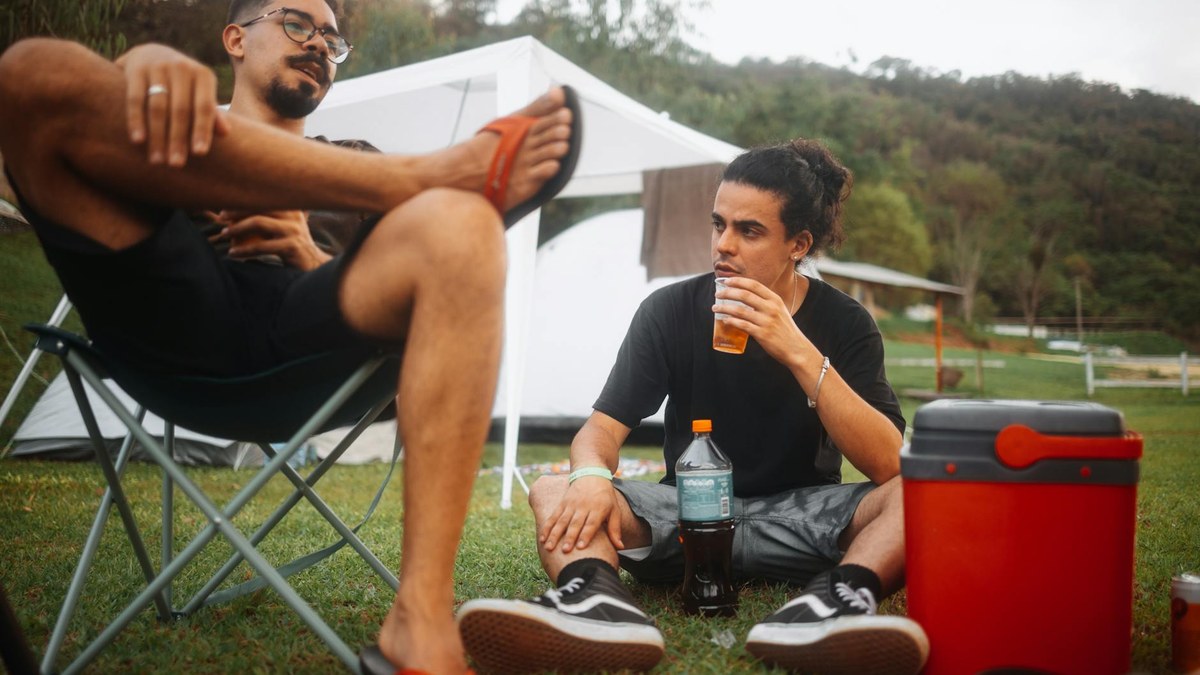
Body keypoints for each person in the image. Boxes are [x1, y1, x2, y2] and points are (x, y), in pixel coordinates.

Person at [0, 1, 580, 672]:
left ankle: (420, 620)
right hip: (174, 313)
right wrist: (141, 67)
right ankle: (427, 172)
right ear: (235, 39)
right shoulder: (180, 114)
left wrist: (309, 251)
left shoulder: (352, 160)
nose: (319, 44)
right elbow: (71, 120)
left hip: (311, 339)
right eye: (297, 24)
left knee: (465, 225)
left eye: (333, 39)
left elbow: (418, 348)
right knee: (30, 72)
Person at [457, 139, 929, 674]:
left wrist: (797, 350)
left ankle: (834, 603)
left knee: (918, 491)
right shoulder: (671, 309)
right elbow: (600, 431)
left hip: (803, 516)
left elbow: (890, 462)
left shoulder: (845, 323)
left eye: (748, 231)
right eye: (718, 224)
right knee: (551, 486)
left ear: (798, 244)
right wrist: (589, 474)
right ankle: (597, 603)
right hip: (689, 511)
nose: (722, 245)